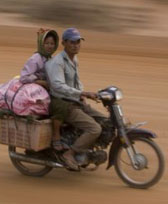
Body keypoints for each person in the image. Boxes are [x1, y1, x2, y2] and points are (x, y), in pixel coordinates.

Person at [45, 27, 106, 171]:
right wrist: (82, 93)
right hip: (63, 103)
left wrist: (82, 96)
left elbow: (76, 82)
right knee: (94, 129)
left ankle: (87, 150)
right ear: (64, 43)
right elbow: (58, 86)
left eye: (78, 41)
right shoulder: (58, 62)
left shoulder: (74, 59)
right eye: (72, 42)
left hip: (74, 100)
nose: (76, 45)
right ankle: (69, 153)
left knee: (104, 121)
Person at [19, 28, 65, 150]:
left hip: (48, 90)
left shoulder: (50, 58)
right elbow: (23, 77)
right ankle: (56, 137)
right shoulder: (35, 58)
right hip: (37, 92)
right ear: (41, 44)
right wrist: (40, 81)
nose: (50, 46)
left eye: (52, 43)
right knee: (60, 107)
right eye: (47, 43)